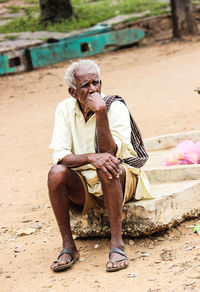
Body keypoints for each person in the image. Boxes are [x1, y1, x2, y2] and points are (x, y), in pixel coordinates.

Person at [48, 59, 152, 272]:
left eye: (96, 82)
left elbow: (110, 154)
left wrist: (101, 113)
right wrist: (89, 158)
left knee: (107, 166)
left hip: (120, 180)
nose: (93, 89)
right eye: (85, 85)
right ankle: (69, 247)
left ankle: (116, 245)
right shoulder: (64, 109)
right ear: (73, 92)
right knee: (55, 173)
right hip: (85, 185)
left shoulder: (114, 106)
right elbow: (59, 154)